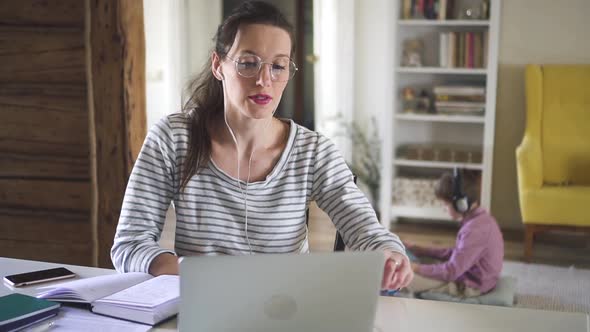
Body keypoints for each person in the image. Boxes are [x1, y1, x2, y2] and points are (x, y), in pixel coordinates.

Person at [110, 1, 413, 292]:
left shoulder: (313, 151)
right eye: (248, 63)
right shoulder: (173, 138)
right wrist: (189, 273)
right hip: (202, 307)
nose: (264, 80)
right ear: (218, 66)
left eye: (278, 66)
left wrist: (389, 254)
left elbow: (365, 229)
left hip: (287, 310)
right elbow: (129, 244)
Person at [405, 169, 504, 298]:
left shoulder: (475, 230)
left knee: (405, 279)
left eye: (446, 204)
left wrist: (416, 268)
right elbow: (457, 254)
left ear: (461, 204)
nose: (444, 208)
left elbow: (452, 271)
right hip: (466, 273)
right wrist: (420, 250)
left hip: (470, 286)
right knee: (421, 261)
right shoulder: (479, 220)